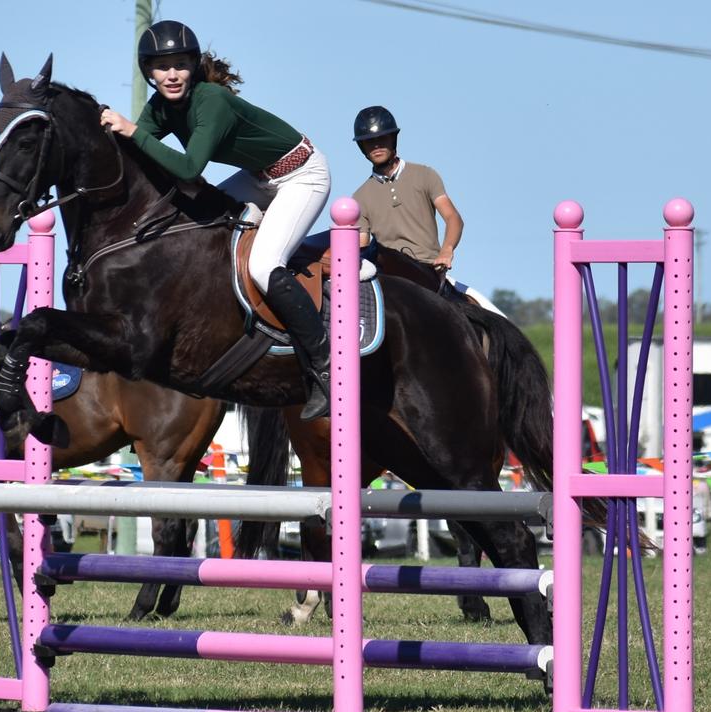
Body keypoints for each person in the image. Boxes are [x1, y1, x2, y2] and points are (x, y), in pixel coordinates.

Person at [100, 20, 333, 420]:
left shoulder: (211, 101)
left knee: (263, 265)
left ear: (193, 66)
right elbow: (138, 153)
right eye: (161, 67)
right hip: (260, 179)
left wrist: (133, 130)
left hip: (302, 175)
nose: (171, 75)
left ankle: (324, 366)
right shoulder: (160, 106)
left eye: (180, 65)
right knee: (202, 219)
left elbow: (190, 168)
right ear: (148, 74)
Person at [351, 106, 464, 276]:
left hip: (429, 269)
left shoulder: (425, 174)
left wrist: (446, 251)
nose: (376, 145)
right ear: (362, 147)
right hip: (390, 277)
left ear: (393, 139)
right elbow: (362, 246)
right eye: (369, 141)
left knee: (478, 303)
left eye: (382, 138)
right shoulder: (359, 198)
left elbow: (453, 217)